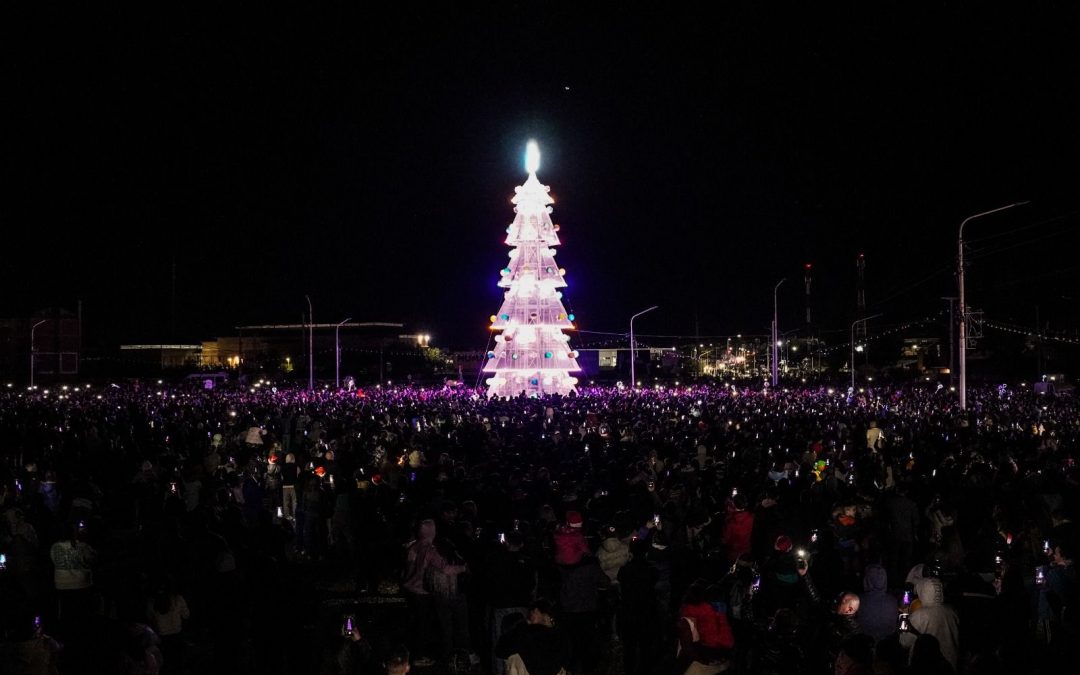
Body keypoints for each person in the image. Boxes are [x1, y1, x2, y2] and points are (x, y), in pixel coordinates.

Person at [495, 599, 570, 675]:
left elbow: (500, 650)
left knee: (514, 658)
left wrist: (523, 625)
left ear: (536, 611)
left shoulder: (526, 632)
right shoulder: (560, 634)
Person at [907, 576, 960, 671]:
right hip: (951, 663)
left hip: (926, 666)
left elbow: (906, 641)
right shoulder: (952, 611)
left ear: (923, 591)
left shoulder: (919, 615)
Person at [856, 564, 897, 644]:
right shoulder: (892, 600)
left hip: (864, 644)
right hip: (885, 644)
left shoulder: (858, 600)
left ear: (867, 579)